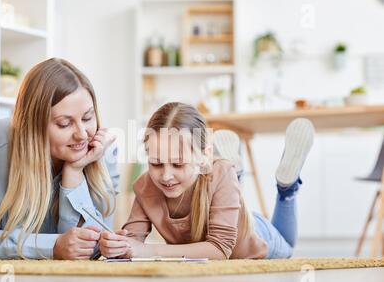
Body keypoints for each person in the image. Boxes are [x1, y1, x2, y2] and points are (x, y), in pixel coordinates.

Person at [99, 102, 314, 259]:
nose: (165, 176)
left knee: (288, 246)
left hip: (254, 236)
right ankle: (234, 179)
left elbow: (219, 250)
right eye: (156, 163)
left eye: (178, 164)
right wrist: (117, 246)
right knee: (221, 177)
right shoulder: (145, 185)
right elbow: (133, 242)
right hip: (225, 207)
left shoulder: (215, 172)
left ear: (204, 156)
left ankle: (287, 188)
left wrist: (150, 251)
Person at [0, 58, 119, 260]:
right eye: (64, 124)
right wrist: (53, 246)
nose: (82, 135)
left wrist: (74, 172)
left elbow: (90, 249)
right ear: (35, 126)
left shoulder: (102, 150)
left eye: (87, 118)